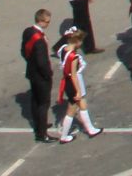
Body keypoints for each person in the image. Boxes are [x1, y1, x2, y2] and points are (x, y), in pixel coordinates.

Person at [55, 27, 100, 143]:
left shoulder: (63, 50)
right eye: (81, 41)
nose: (82, 43)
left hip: (67, 82)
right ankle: (65, 136)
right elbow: (74, 75)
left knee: (79, 106)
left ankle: (90, 129)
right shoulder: (73, 57)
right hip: (74, 84)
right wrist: (78, 91)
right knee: (73, 109)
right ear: (77, 41)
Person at [21, 9, 55, 142]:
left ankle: (39, 125)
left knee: (35, 100)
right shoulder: (39, 40)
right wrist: (48, 74)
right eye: (47, 22)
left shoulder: (28, 32)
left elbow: (23, 51)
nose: (48, 24)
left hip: (31, 72)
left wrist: (31, 62)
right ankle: (42, 133)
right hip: (41, 76)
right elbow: (42, 63)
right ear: (40, 21)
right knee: (43, 104)